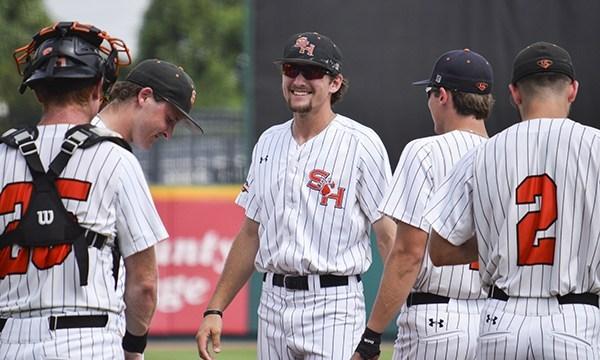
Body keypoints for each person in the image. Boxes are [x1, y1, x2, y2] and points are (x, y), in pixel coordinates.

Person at [195, 31, 396, 360]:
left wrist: (380, 327)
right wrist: (214, 309)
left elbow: (388, 237)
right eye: (291, 69)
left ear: (334, 83)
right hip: (272, 303)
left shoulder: (361, 143)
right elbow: (251, 233)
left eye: (312, 72)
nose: (299, 80)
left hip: (334, 304)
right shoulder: (268, 142)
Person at [0, 21, 171, 359]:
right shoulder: (115, 158)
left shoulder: (2, 156)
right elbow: (144, 282)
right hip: (87, 340)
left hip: (9, 340)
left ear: (36, 90)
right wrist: (134, 347)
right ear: (97, 88)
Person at [425, 42, 600, 359]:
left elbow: (439, 250)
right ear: (573, 90)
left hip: (501, 320)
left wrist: (504, 241)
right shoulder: (596, 147)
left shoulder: (481, 155)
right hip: (575, 320)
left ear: (514, 93)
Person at [352, 49, 494, 360]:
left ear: (442, 95)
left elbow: (407, 254)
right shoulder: (507, 155)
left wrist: (371, 336)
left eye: (429, 93)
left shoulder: (425, 151)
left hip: (437, 325)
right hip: (497, 322)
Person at [93, 58, 204, 149]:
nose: (168, 135)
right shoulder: (115, 157)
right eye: (169, 119)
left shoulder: (81, 133)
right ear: (145, 96)